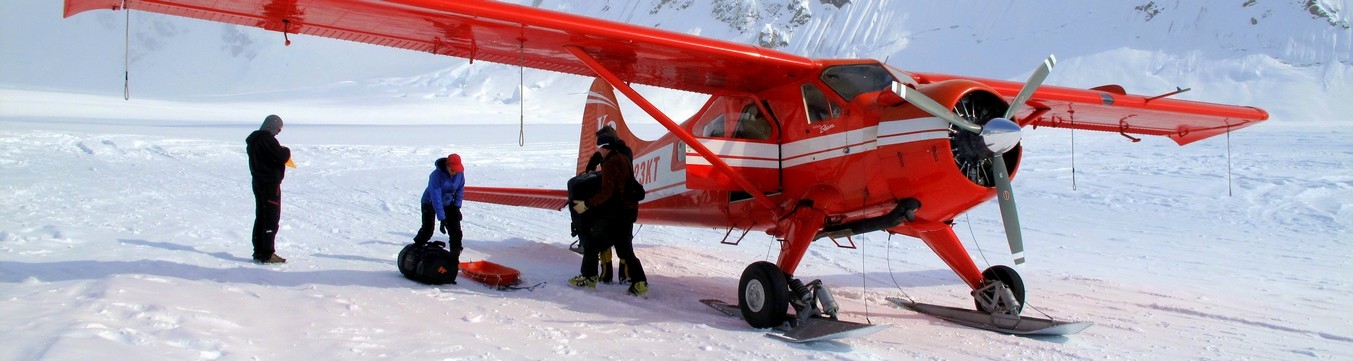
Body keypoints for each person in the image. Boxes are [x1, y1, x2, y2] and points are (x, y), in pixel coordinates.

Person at [570, 134, 648, 297]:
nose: (599, 151)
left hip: (615, 213)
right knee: (625, 250)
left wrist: (587, 204)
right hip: (628, 212)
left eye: (600, 148)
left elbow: (607, 191)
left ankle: (589, 277)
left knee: (592, 241)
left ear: (605, 148)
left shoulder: (611, 163)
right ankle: (639, 283)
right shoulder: (623, 157)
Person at [581, 126, 632, 284]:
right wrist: (589, 172)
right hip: (615, 201)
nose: (600, 148)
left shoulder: (621, 154)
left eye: (601, 144)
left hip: (619, 201)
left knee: (621, 239)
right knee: (613, 238)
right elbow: (591, 165)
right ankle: (609, 273)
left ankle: (623, 274)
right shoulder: (609, 153)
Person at [246, 114, 291, 264]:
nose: (278, 132)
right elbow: (280, 155)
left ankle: (259, 251)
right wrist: (286, 150)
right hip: (269, 185)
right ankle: (267, 253)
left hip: (258, 183)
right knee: (271, 218)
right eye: (278, 128)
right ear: (272, 125)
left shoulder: (254, 141)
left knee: (261, 217)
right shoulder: (267, 140)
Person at [415, 153, 466, 257]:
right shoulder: (436, 176)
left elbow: (460, 189)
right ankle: (416, 250)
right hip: (429, 202)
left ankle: (454, 257)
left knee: (455, 229)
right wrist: (442, 218)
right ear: (447, 165)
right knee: (428, 229)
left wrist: (456, 207)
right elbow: (436, 197)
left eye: (457, 170)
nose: (455, 172)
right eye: (453, 170)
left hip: (448, 202)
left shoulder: (460, 174)